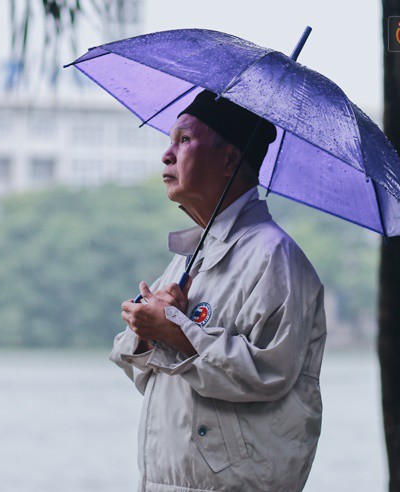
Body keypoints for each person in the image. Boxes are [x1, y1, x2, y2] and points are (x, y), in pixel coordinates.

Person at [110, 90, 327, 492]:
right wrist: (147, 329)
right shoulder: (189, 256)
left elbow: (268, 372)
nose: (167, 154)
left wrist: (176, 331)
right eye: (170, 140)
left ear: (229, 158)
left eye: (185, 140)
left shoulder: (273, 256)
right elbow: (140, 367)